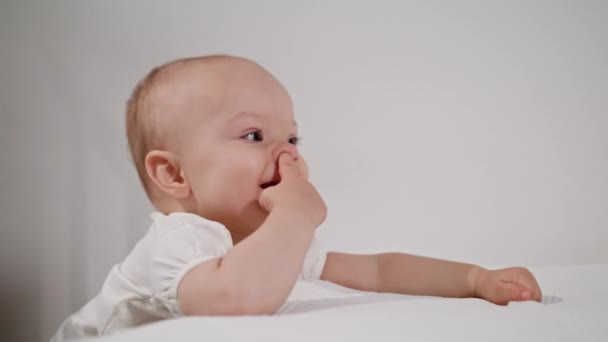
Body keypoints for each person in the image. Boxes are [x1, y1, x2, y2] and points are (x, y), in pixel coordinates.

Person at [51, 55, 542, 341]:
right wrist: (295, 213)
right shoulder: (178, 241)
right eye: (252, 136)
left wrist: (474, 278)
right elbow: (233, 301)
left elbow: (378, 270)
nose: (285, 153)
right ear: (173, 173)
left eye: (293, 139)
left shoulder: (265, 244)